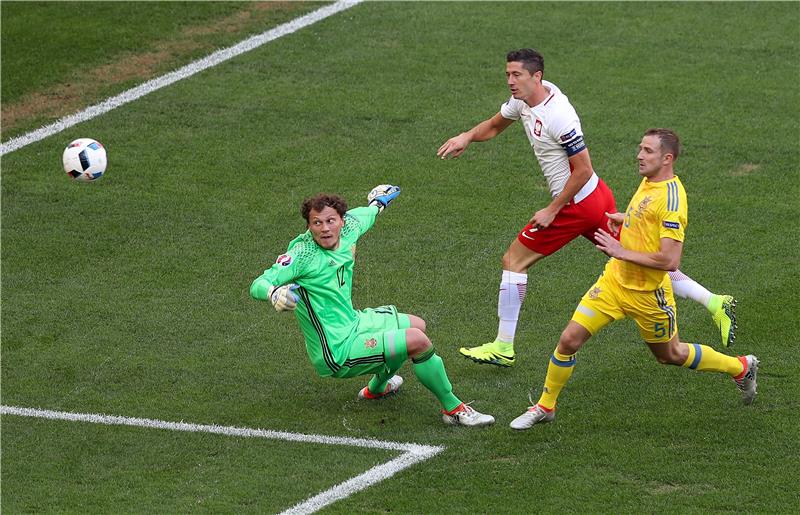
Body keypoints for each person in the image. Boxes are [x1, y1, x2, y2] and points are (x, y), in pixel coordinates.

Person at [437, 49, 736, 369]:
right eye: (508, 75)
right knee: (635, 255)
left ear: (536, 77)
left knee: (513, 259)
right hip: (595, 196)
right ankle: (714, 301)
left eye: (516, 75)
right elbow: (496, 125)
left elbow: (581, 169)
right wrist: (466, 136)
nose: (510, 81)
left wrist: (553, 209)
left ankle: (503, 346)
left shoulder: (560, 117)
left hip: (577, 202)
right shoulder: (524, 100)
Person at [509, 129, 758, 430]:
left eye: (647, 151)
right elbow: (646, 215)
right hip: (613, 283)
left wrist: (620, 250)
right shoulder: (650, 180)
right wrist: (627, 219)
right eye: (640, 148)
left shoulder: (672, 202)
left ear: (667, 158)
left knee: (671, 355)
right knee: (568, 340)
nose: (639, 155)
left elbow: (670, 260)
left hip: (649, 296)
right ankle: (545, 406)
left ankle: (741, 367)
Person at [249, 186, 495, 427]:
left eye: (330, 221)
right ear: (308, 226)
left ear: (342, 221)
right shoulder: (302, 255)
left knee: (417, 324)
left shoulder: (349, 230)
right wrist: (273, 293)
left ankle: (376, 389)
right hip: (336, 349)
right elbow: (259, 283)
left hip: (354, 322)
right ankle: (453, 409)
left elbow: (366, 214)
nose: (325, 228)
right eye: (316, 223)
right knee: (417, 341)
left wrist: (378, 203)